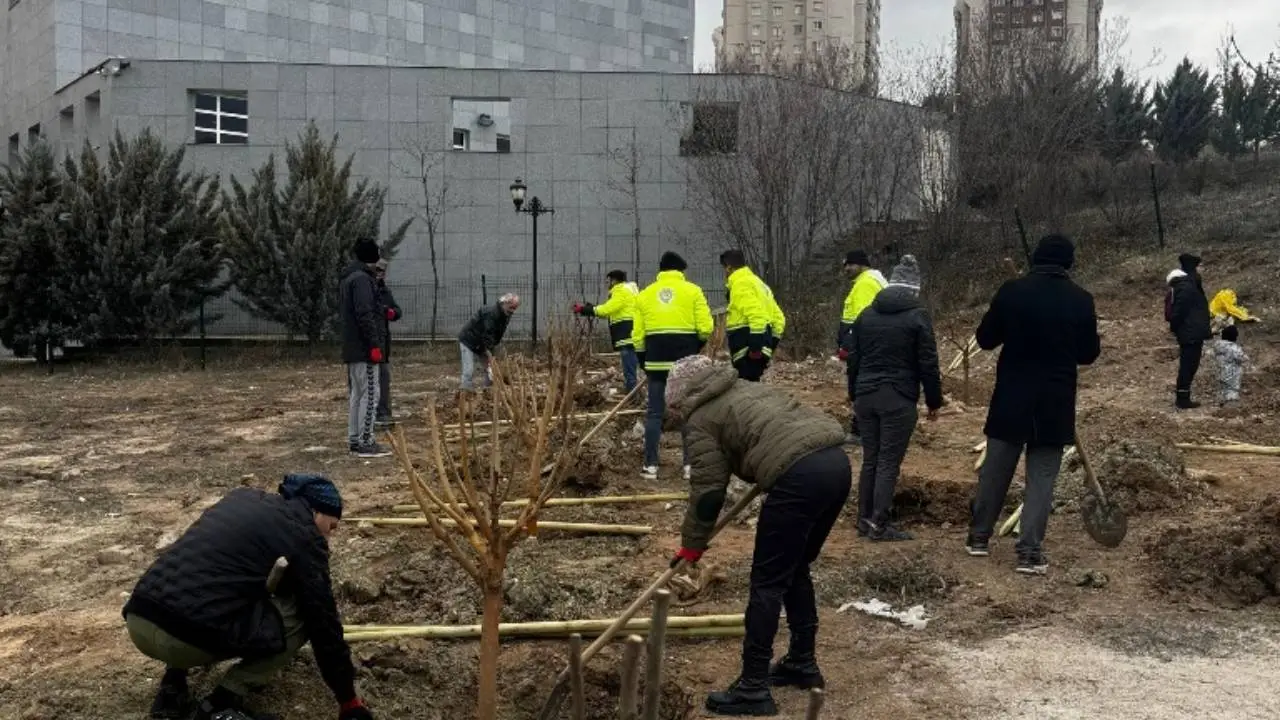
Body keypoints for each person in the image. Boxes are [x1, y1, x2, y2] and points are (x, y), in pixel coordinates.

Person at [664, 355, 850, 717]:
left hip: (798, 477)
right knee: (794, 568)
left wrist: (692, 545)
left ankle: (752, 688)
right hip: (835, 465)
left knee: (767, 582)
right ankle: (801, 662)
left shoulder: (701, 418)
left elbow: (708, 492)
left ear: (683, 395)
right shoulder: (745, 387)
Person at [123, 474, 373, 720]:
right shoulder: (305, 535)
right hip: (184, 640)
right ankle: (221, 703)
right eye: (331, 527)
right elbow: (323, 622)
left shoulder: (239, 499)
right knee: (302, 615)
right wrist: (348, 700)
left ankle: (173, 685)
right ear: (317, 512)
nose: (328, 538)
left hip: (140, 618)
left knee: (200, 589)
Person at [966, 235, 1100, 575]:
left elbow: (984, 339)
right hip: (1055, 400)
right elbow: (1088, 354)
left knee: (996, 469)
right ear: (1069, 263)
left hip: (1012, 395)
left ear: (1035, 259)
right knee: (1042, 477)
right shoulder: (1081, 300)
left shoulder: (1012, 291)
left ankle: (979, 538)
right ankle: (1029, 552)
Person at [844, 255, 943, 542]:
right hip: (897, 397)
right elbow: (928, 362)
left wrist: (854, 393)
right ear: (914, 289)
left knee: (871, 459)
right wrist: (934, 402)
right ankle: (879, 524)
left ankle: (864, 521)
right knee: (888, 461)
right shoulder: (917, 316)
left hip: (865, 395)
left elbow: (853, 359)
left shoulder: (866, 315)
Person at [631, 251, 713, 480]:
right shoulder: (693, 291)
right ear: (680, 271)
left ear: (661, 271)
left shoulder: (645, 295)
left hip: (656, 361)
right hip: (684, 364)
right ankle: (690, 466)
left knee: (655, 413)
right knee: (689, 412)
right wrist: (694, 349)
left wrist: (643, 361)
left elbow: (637, 336)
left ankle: (650, 466)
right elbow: (706, 327)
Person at [339, 239, 390, 458]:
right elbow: (365, 314)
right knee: (370, 394)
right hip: (364, 348)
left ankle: (355, 439)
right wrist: (374, 345)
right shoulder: (362, 280)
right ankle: (366, 442)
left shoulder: (349, 277)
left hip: (353, 348)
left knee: (358, 395)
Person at [837, 250, 886, 443]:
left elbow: (862, 321)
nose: (846, 269)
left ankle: (861, 432)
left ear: (861, 264)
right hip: (871, 346)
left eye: (850, 264)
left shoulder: (865, 284)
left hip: (863, 348)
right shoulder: (871, 281)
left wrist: (848, 346)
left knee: (860, 387)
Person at [720, 249, 786, 382]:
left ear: (728, 267)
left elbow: (756, 315)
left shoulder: (740, 284)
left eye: (724, 268)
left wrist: (755, 347)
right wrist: (769, 345)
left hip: (746, 350)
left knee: (746, 392)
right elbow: (779, 319)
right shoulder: (760, 284)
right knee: (754, 389)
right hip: (761, 348)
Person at [574, 270, 641, 392]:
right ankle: (632, 389)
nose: (607, 283)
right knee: (629, 362)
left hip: (626, 331)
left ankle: (632, 391)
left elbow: (607, 310)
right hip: (630, 330)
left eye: (608, 280)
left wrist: (585, 309)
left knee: (628, 363)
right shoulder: (628, 291)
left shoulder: (620, 291)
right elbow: (610, 312)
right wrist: (591, 308)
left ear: (614, 280)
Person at [1165, 253, 1211, 409]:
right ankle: (1182, 398)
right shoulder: (1186, 286)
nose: (1203, 269)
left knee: (1191, 363)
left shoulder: (1190, 284)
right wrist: (1177, 328)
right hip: (1189, 332)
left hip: (1192, 331)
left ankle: (1184, 396)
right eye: (1200, 266)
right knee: (1188, 364)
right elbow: (1179, 312)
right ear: (1194, 267)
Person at [457, 293, 519, 391]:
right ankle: (466, 390)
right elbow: (488, 334)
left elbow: (497, 334)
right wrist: (490, 354)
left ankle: (488, 389)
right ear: (505, 303)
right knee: (469, 369)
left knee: (490, 368)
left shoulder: (505, 314)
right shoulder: (491, 313)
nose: (513, 311)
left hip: (482, 342)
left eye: (515, 308)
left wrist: (491, 354)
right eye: (511, 308)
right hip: (469, 339)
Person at [373, 259, 401, 427]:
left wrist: (392, 313)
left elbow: (397, 310)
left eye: (383, 271)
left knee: (383, 377)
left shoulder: (385, 291)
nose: (380, 274)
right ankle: (371, 413)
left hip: (382, 343)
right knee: (370, 380)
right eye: (378, 270)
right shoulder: (365, 289)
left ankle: (383, 411)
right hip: (369, 343)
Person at [1212, 324, 1248, 405]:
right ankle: (1230, 407)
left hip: (1220, 371)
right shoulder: (1233, 348)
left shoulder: (1218, 346)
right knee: (1232, 389)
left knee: (1222, 388)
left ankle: (1220, 402)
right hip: (1232, 373)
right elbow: (1243, 358)